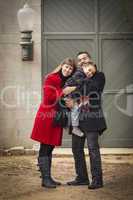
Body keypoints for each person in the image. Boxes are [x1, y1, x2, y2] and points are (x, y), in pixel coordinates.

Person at [31, 58, 76, 188]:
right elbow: (48, 97)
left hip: (56, 116)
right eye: (66, 67)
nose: (68, 70)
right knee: (45, 147)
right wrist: (64, 92)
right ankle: (45, 179)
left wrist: (68, 101)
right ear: (62, 66)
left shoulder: (65, 81)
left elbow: (63, 100)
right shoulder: (51, 78)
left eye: (70, 69)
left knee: (50, 147)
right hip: (47, 116)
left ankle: (48, 177)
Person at [67, 51, 107, 189]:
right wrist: (75, 89)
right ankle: (82, 178)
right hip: (78, 120)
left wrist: (79, 84)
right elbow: (69, 91)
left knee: (92, 149)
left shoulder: (99, 76)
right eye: (80, 60)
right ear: (78, 64)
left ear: (90, 60)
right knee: (76, 149)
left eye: (85, 58)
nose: (82, 60)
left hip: (92, 119)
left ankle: (97, 180)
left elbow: (92, 89)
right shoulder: (76, 75)